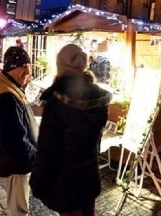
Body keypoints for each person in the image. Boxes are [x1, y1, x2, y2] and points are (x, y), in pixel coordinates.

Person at [30, 44, 112, 216]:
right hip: (89, 175)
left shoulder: (57, 100)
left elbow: (48, 150)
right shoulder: (100, 97)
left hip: (65, 182)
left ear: (62, 67)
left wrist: (38, 182)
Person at [0, 46, 38, 216]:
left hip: (11, 159)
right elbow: (16, 141)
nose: (27, 73)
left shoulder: (5, 84)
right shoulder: (6, 96)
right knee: (19, 209)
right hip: (16, 164)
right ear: (12, 68)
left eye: (28, 68)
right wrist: (36, 157)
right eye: (23, 68)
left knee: (16, 204)